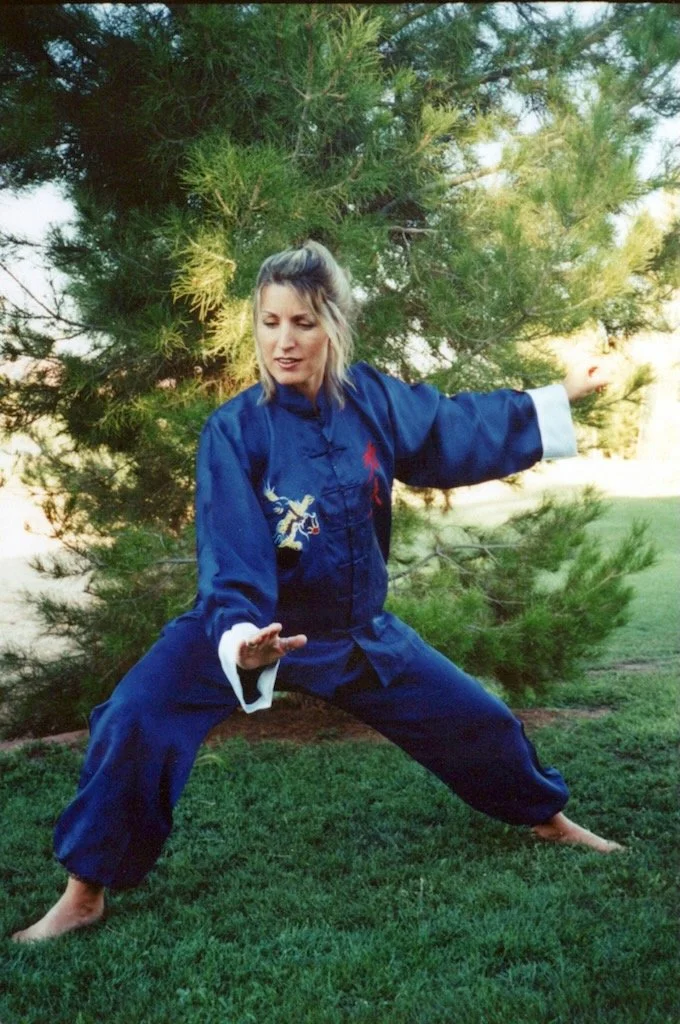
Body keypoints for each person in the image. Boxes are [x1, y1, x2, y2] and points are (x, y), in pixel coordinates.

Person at [12, 241, 622, 943]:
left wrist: (563, 394)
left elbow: (459, 425)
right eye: (269, 322)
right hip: (245, 629)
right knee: (135, 715)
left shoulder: (372, 401)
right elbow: (232, 551)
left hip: (356, 634)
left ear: (331, 323)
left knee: (477, 719)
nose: (284, 341)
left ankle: (548, 819)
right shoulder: (235, 431)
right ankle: (84, 892)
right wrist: (242, 641)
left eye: (301, 322)